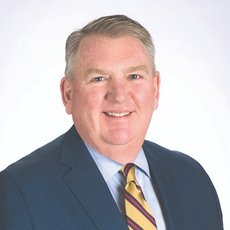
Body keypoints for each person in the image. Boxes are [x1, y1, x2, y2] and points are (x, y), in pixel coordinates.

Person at [0, 15, 223, 230]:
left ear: (155, 89)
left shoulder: (193, 179)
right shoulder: (20, 191)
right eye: (99, 78)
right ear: (68, 94)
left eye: (134, 76)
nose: (118, 95)